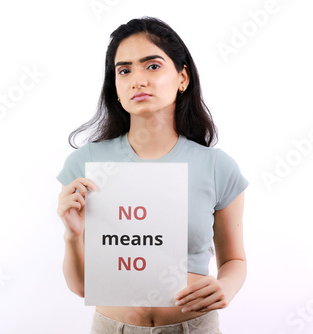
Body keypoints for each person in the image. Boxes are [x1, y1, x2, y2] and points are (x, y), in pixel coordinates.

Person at [56, 16, 248, 334]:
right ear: (115, 85)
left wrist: (226, 286)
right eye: (124, 70)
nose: (137, 80)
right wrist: (73, 235)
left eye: (153, 66)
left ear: (182, 77)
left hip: (193, 326)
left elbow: (234, 260)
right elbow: (81, 287)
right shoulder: (87, 163)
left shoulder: (217, 167)